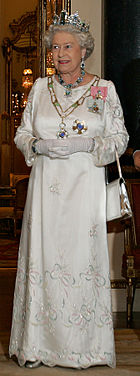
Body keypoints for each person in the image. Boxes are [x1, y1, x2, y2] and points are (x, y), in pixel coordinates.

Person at [9, 10, 129, 369]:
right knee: (42, 260)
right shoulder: (41, 90)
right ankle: (37, 347)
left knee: (79, 261)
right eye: (55, 47)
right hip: (45, 193)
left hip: (83, 191)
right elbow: (22, 133)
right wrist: (38, 146)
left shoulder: (104, 90)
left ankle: (86, 349)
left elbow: (119, 138)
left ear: (83, 50)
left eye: (68, 46)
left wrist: (86, 146)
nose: (60, 53)